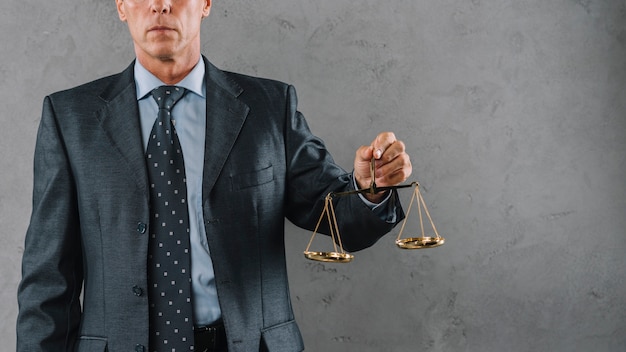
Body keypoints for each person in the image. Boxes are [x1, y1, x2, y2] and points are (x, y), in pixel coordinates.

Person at [16, 0, 412, 351]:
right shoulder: (71, 118)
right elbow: (49, 280)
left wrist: (369, 189)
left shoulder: (269, 108)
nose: (161, 6)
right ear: (121, 6)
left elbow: (335, 216)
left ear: (206, 3)